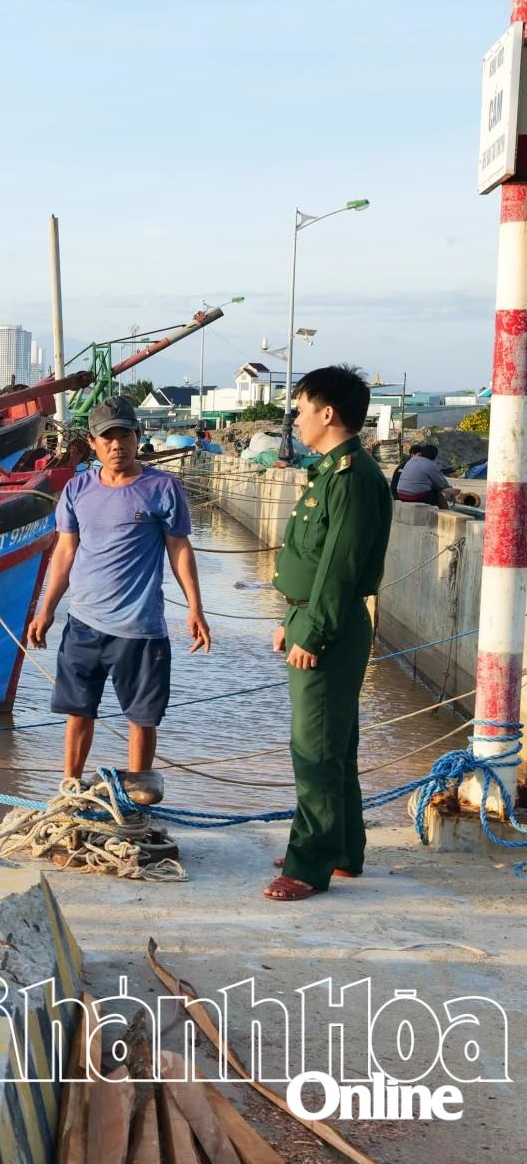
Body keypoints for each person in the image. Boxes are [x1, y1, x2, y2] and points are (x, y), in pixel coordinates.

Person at [25, 396, 212, 805]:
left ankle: (137, 797)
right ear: (93, 443)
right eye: (107, 437)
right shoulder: (77, 489)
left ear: (137, 436)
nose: (116, 445)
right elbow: (64, 553)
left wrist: (196, 607)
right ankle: (70, 790)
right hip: (84, 625)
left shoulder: (163, 488)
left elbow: (179, 549)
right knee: (78, 713)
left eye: (124, 434)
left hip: (141, 628)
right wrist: (46, 609)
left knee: (142, 719)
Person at [266, 366, 393, 902]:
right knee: (335, 744)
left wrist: (311, 633)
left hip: (329, 626)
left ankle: (309, 863)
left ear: (327, 413)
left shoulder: (351, 477)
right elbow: (312, 561)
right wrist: (289, 621)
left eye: (300, 408)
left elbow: (339, 568)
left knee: (315, 749)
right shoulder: (329, 473)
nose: (294, 418)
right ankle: (341, 848)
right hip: (310, 617)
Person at [391, 443, 459, 507]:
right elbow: (442, 485)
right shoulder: (431, 465)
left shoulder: (410, 461)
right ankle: (446, 512)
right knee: (437, 492)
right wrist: (451, 491)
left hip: (399, 494)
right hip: (413, 497)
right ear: (434, 456)